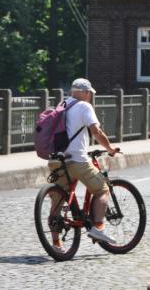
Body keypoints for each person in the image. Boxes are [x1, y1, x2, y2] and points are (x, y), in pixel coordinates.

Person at [46, 78, 121, 245]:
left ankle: (56, 243)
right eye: (90, 94)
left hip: (57, 160)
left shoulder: (62, 104)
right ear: (86, 93)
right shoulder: (84, 106)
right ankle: (99, 228)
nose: (91, 97)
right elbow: (96, 131)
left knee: (58, 199)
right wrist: (109, 148)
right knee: (102, 189)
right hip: (77, 160)